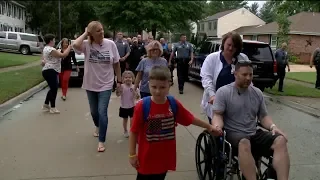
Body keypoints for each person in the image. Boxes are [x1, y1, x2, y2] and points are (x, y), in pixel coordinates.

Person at [129, 66, 215, 180]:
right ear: (148, 84)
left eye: (162, 87)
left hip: (164, 159)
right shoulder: (142, 106)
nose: (158, 91)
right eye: (154, 87)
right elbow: (134, 131)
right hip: (146, 159)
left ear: (169, 85)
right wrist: (132, 154)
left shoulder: (172, 104)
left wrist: (208, 126)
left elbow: (189, 118)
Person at [211, 60, 290, 180]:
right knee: (244, 143)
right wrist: (217, 126)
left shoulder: (257, 93)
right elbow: (218, 115)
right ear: (235, 74)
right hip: (234, 134)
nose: (248, 78)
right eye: (244, 75)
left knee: (280, 140)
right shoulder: (223, 92)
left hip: (253, 132)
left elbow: (263, 116)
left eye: (250, 75)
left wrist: (273, 127)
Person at [73, 21, 122, 152]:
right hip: (90, 84)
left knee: (102, 112)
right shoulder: (86, 45)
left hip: (106, 84)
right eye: (98, 31)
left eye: (102, 29)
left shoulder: (110, 44)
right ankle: (98, 126)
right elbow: (75, 44)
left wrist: (119, 81)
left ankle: (101, 140)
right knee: (94, 112)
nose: (102, 32)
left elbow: (117, 64)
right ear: (91, 34)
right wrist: (85, 33)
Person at [200, 31, 250, 124]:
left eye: (234, 46)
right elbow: (206, 78)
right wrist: (212, 95)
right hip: (216, 101)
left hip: (236, 102)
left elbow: (248, 77)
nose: (231, 48)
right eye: (229, 45)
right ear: (223, 44)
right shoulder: (212, 58)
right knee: (218, 128)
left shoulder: (243, 58)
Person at [42, 34, 71, 114]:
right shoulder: (51, 49)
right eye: (54, 40)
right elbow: (63, 55)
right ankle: (53, 107)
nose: (55, 41)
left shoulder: (47, 48)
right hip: (51, 70)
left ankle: (46, 104)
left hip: (49, 70)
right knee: (54, 89)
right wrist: (69, 47)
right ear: (51, 41)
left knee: (52, 88)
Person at [116, 70, 139, 138]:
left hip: (132, 106)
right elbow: (118, 94)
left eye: (130, 77)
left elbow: (137, 97)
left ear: (133, 78)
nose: (128, 79)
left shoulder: (134, 87)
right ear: (123, 79)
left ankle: (131, 131)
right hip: (123, 107)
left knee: (132, 120)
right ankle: (125, 130)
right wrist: (118, 89)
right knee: (125, 120)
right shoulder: (122, 86)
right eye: (126, 77)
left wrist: (135, 92)